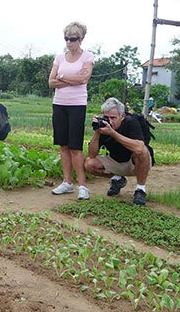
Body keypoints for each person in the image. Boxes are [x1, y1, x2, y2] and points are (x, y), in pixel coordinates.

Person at [48, 21, 94, 200]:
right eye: (66, 38)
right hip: (59, 104)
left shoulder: (87, 56)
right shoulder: (59, 58)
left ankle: (82, 186)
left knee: (76, 147)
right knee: (63, 145)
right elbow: (51, 82)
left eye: (73, 39)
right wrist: (70, 79)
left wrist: (62, 77)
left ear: (80, 39)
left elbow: (84, 78)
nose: (69, 42)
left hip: (77, 105)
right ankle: (67, 182)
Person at [84, 97, 152, 206]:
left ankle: (140, 189)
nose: (110, 121)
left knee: (142, 151)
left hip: (135, 163)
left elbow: (139, 148)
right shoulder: (104, 126)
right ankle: (118, 179)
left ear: (122, 116)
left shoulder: (131, 122)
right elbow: (92, 154)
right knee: (89, 164)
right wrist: (97, 132)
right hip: (116, 161)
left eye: (113, 118)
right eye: (107, 117)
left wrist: (112, 133)